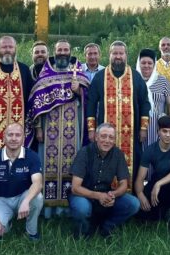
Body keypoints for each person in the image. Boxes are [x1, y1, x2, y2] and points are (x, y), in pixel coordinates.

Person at [27, 39, 90, 210]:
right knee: (47, 165)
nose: (62, 53)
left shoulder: (78, 71)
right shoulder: (45, 73)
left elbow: (89, 98)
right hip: (49, 129)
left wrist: (79, 90)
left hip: (72, 128)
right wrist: (38, 127)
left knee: (72, 164)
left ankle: (68, 207)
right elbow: (36, 103)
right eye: (59, 50)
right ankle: (46, 208)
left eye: (65, 50)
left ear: (70, 52)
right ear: (54, 52)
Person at [86, 41, 151, 188]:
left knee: (133, 162)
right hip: (105, 134)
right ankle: (103, 194)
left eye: (121, 53)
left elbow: (145, 103)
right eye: (115, 53)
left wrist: (143, 128)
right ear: (109, 55)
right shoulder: (100, 77)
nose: (118, 56)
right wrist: (91, 130)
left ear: (126, 55)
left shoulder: (136, 76)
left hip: (132, 132)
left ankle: (130, 195)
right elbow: (91, 104)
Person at [69, 123, 140, 238]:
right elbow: (75, 188)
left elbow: (124, 184)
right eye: (103, 136)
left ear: (114, 140)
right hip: (84, 194)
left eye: (111, 137)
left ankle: (107, 227)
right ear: (96, 137)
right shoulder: (84, 152)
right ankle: (83, 233)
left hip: (106, 193)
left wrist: (113, 194)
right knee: (82, 208)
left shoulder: (118, 154)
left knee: (133, 204)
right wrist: (98, 196)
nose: (107, 140)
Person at [0, 123, 44, 241]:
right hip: (1, 200)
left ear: (23, 138)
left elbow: (37, 183)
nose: (14, 138)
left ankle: (32, 232)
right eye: (10, 135)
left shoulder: (32, 156)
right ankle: (7, 223)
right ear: (4, 137)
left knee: (38, 197)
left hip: (22, 197)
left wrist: (26, 201)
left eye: (18, 135)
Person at [133, 115, 170, 235]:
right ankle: (160, 213)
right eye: (164, 131)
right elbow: (140, 178)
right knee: (142, 215)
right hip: (157, 187)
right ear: (158, 131)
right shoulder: (150, 149)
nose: (168, 135)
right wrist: (140, 194)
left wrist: (159, 184)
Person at [137, 48, 170, 148]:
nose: (146, 66)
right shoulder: (133, 80)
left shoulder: (162, 81)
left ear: (154, 64)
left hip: (158, 126)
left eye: (150, 63)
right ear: (139, 64)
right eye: (143, 63)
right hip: (137, 124)